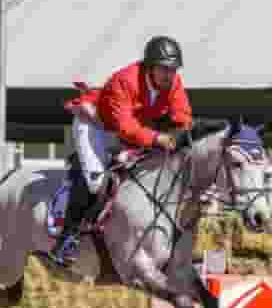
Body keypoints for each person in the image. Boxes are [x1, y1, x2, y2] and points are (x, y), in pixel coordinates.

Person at [42, 35, 194, 271]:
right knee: (96, 182)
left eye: (173, 69)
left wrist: (183, 136)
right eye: (164, 69)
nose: (169, 75)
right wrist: (158, 138)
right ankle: (67, 239)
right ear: (150, 67)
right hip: (96, 126)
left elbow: (182, 117)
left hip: (129, 131)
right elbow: (125, 128)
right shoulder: (124, 80)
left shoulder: (173, 84)